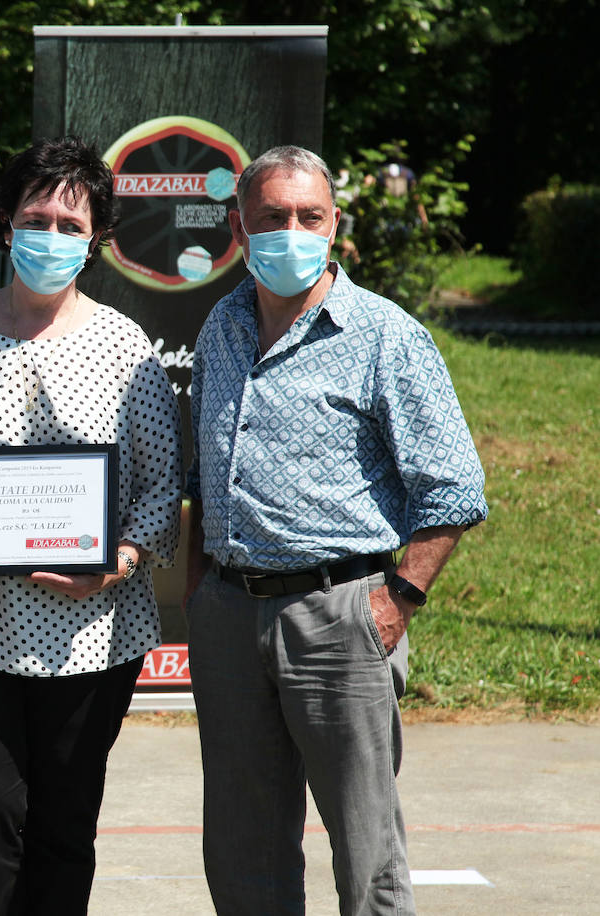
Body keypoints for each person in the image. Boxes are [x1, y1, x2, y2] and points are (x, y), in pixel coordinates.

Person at [184, 145, 487, 915]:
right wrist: (200, 596)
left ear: (335, 223)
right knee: (242, 850)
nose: (291, 231)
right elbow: (200, 479)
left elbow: (453, 488)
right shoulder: (219, 325)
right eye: (272, 217)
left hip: (340, 614)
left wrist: (395, 601)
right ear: (239, 227)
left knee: (366, 849)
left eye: (308, 216)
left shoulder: (386, 336)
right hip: (228, 613)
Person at [0, 135, 182, 915]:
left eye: (70, 224)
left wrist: (116, 562)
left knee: (61, 828)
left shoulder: (124, 347)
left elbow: (160, 487)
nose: (51, 235)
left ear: (97, 242)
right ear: (6, 224)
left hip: (90, 637)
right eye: (36, 216)